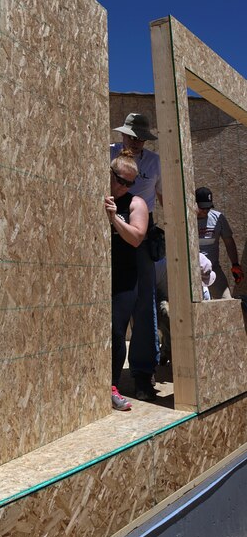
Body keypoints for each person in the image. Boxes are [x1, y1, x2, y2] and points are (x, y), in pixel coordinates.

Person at [110, 113, 161, 400]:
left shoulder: (153, 162)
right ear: (123, 135)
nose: (137, 142)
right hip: (110, 219)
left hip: (139, 227)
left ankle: (142, 374)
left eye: (141, 137)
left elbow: (164, 195)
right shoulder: (107, 153)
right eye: (132, 136)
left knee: (143, 302)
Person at [105, 150, 149, 410]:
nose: (124, 187)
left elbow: (136, 237)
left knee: (116, 330)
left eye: (130, 183)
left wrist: (114, 219)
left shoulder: (136, 203)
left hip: (125, 278)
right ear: (111, 175)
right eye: (120, 180)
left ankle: (112, 386)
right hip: (97, 274)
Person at [196, 187, 244, 299]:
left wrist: (235, 264)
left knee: (226, 301)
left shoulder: (218, 218)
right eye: (202, 207)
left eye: (208, 207)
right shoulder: (185, 220)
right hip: (192, 271)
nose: (205, 211)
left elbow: (229, 242)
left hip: (213, 268)